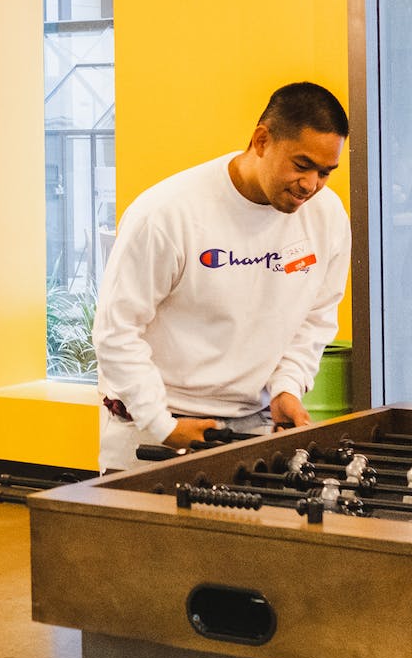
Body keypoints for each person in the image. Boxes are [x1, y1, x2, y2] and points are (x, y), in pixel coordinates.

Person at [93, 82, 351, 472]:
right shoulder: (166, 214)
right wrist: (162, 424)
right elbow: (116, 331)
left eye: (325, 173)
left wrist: (287, 387)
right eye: (301, 165)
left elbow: (314, 320)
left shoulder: (327, 218)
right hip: (150, 428)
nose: (311, 185)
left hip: (253, 426)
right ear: (261, 140)